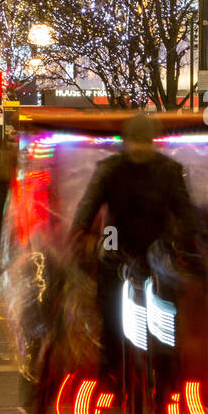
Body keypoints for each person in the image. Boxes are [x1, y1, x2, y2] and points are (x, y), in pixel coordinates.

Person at [69, 113, 198, 381]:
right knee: (111, 305)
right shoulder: (109, 168)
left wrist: (185, 241)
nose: (139, 147)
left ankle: (166, 373)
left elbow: (185, 213)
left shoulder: (169, 170)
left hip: (156, 240)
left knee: (166, 305)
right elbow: (89, 204)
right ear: (126, 142)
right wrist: (81, 231)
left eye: (144, 141)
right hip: (116, 236)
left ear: (152, 142)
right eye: (135, 141)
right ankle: (111, 369)